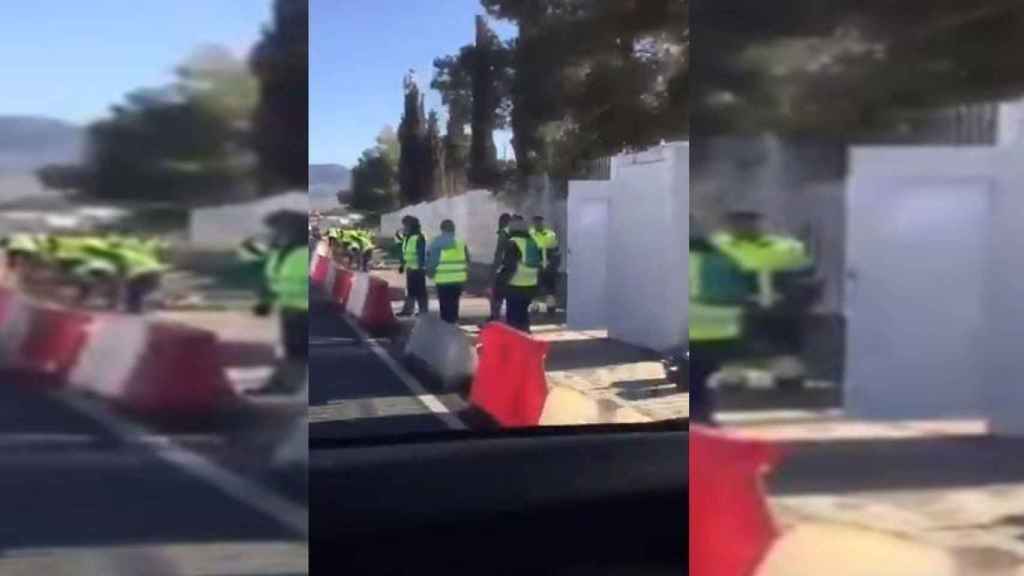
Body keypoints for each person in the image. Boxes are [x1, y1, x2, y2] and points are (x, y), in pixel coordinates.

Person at [689, 224, 754, 424]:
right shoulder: (727, 260)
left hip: (694, 331)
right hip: (725, 331)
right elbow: (744, 292)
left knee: (694, 379)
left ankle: (700, 420)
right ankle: (704, 418)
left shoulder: (685, 262)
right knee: (702, 377)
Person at [253, 210, 309, 395]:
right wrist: (265, 300)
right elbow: (271, 281)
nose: (274, 234)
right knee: (290, 351)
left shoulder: (303, 253)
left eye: (279, 230)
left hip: (303, 312)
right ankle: (283, 385)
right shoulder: (277, 253)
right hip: (288, 310)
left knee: (298, 353)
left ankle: (288, 387)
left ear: (293, 231)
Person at [497, 218, 541, 332]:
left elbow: (509, 266)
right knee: (523, 313)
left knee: (513, 315)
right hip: (531, 283)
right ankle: (525, 335)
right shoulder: (533, 242)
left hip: (516, 283)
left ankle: (515, 340)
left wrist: (500, 283)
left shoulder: (513, 242)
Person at [427, 219, 470, 324]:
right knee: (454, 304)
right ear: (453, 228)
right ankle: (453, 323)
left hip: (443, 280)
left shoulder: (438, 242)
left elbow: (433, 261)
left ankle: (447, 327)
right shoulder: (461, 241)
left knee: (445, 306)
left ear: (442, 229)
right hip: (458, 280)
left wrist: (430, 273)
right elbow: (468, 259)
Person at [529, 216, 561, 315]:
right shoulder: (530, 234)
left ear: (542, 223)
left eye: (539, 222)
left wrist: (554, 264)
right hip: (535, 264)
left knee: (550, 286)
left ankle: (551, 307)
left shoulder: (550, 234)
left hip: (548, 264)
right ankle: (534, 307)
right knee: (533, 287)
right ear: (533, 223)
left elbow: (556, 251)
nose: (538, 224)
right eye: (536, 222)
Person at [398, 217, 429, 316]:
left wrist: (421, 267)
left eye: (405, 225)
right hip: (410, 268)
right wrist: (403, 265)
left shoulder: (419, 237)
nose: (404, 227)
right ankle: (408, 310)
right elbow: (405, 252)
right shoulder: (407, 238)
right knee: (410, 291)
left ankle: (423, 311)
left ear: (411, 226)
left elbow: (421, 254)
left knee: (420, 291)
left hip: (418, 269)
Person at [489, 213, 512, 321]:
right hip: (514, 268)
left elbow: (499, 252)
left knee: (497, 293)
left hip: (504, 267)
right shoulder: (515, 233)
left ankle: (495, 316)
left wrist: (495, 267)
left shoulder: (504, 233)